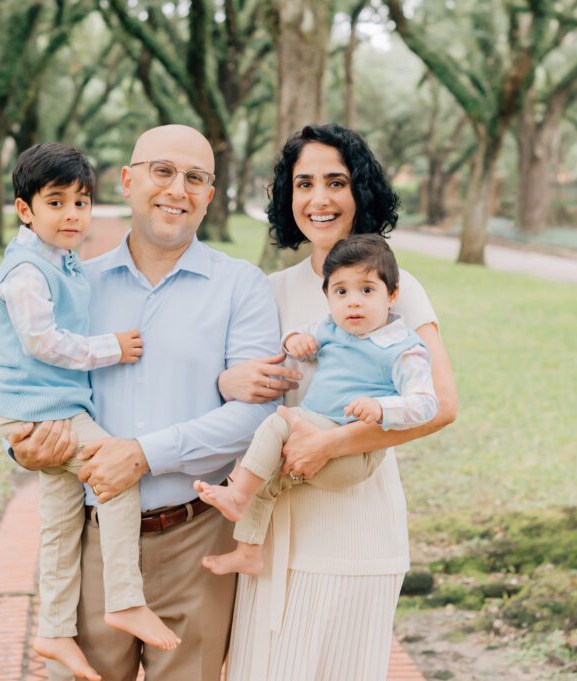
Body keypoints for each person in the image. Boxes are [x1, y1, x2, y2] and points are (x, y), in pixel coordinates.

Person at [7, 125, 282, 681]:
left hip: (196, 540)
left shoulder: (242, 287)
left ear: (210, 194)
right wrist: (22, 450)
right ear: (128, 181)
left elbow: (255, 416)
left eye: (194, 178)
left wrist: (144, 454)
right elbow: (27, 379)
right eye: (162, 171)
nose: (177, 189)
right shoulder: (73, 284)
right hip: (91, 540)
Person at [219, 124, 458, 681]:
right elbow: (240, 386)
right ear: (287, 197)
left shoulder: (392, 287)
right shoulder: (271, 290)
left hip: (357, 525)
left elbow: (441, 403)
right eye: (304, 184)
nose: (319, 199)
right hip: (273, 526)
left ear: (361, 193)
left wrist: (331, 443)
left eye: (336, 182)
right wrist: (234, 382)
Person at [0, 142, 179, 681]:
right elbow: (41, 342)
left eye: (82, 202)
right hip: (47, 413)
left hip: (47, 410)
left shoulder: (58, 260)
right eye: (56, 202)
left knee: (60, 524)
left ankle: (52, 631)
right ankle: (123, 597)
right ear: (26, 210)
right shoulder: (25, 272)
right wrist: (112, 347)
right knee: (117, 474)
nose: (72, 215)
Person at [195, 234, 438, 577]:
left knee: (279, 423)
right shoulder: (332, 328)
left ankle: (237, 494)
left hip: (354, 451)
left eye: (367, 290)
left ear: (392, 295)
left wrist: (384, 408)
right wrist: (296, 341)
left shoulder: (402, 348)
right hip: (315, 430)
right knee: (269, 475)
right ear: (327, 297)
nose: (353, 303)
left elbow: (427, 404)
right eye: (341, 292)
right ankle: (248, 550)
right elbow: (294, 336)